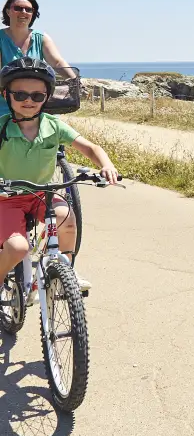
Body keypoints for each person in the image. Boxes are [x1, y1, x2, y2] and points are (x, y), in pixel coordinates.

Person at [0, 58, 118, 297]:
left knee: (67, 219)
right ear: (6, 95)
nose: (29, 101)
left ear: (47, 97)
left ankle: (66, 270)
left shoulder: (53, 126)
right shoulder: (2, 127)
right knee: (18, 247)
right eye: (20, 95)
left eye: (37, 96)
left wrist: (106, 164)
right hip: (7, 198)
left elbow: (90, 148)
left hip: (43, 194)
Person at [0, 0, 75, 118]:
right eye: (17, 8)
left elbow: (57, 62)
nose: (23, 12)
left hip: (37, 103)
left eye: (28, 9)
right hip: (6, 105)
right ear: (8, 12)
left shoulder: (41, 38)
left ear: (33, 14)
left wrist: (74, 81)